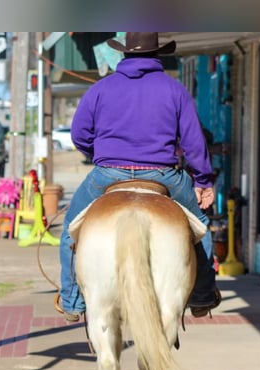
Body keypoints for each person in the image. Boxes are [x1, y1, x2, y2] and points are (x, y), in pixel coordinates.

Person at [56, 32, 221, 323]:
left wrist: (101, 153)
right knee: (201, 229)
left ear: (124, 53)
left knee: (70, 229)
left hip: (108, 174)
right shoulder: (175, 89)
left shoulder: (101, 89)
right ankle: (203, 296)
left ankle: (72, 301)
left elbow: (79, 134)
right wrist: (203, 180)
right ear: (157, 54)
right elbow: (195, 143)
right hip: (163, 174)